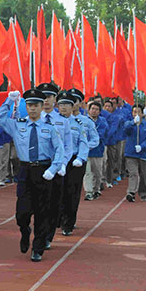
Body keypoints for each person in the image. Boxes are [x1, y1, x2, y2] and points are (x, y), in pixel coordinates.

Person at [0, 88, 63, 262]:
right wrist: (9, 101)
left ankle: (37, 248)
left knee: (42, 212)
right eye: (30, 105)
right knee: (22, 212)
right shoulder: (18, 124)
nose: (32, 108)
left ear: (41, 107)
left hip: (44, 171)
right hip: (25, 171)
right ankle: (25, 231)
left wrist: (53, 170)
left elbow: (59, 150)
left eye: (36, 105)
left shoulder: (49, 128)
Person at [36, 83, 73, 250]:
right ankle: (40, 234)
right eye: (43, 97)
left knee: (53, 204)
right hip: (39, 167)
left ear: (55, 100)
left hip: (57, 168)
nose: (46, 100)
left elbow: (67, 145)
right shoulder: (34, 120)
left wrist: (63, 164)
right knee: (38, 204)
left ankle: (47, 235)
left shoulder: (62, 121)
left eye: (49, 97)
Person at [58, 91, 89, 236]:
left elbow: (84, 143)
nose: (63, 107)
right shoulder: (52, 122)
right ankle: (57, 218)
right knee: (57, 192)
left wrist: (80, 158)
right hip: (57, 161)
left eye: (66, 105)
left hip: (74, 162)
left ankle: (68, 223)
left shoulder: (78, 124)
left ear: (72, 107)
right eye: (61, 104)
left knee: (72, 193)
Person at [123, 105, 146, 202]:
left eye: (138, 112)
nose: (136, 114)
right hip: (131, 153)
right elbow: (126, 130)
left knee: (143, 174)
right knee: (133, 173)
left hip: (143, 153)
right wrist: (133, 123)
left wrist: (142, 146)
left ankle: (143, 192)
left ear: (142, 113)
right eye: (134, 112)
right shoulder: (129, 123)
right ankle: (131, 192)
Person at [84, 101, 108, 201]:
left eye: (96, 109)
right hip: (86, 152)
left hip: (98, 151)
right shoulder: (83, 121)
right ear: (88, 110)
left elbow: (101, 135)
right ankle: (88, 192)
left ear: (99, 111)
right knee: (88, 172)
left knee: (98, 173)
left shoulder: (102, 122)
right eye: (92, 109)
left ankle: (96, 189)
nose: (94, 111)